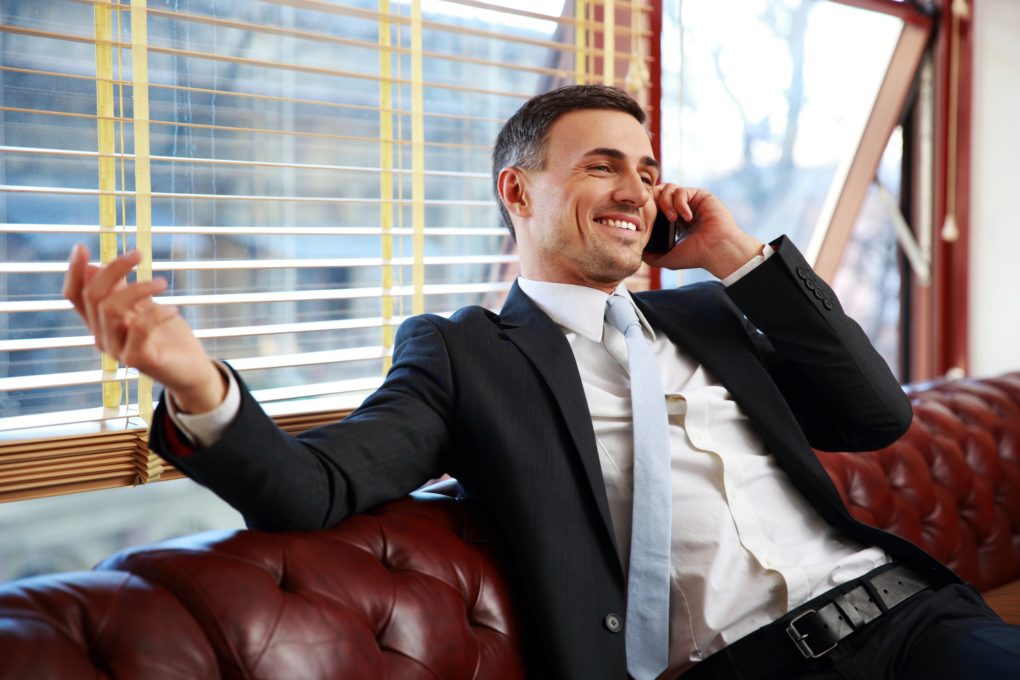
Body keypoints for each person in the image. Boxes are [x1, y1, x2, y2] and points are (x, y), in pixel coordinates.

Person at [63, 85, 1019, 679]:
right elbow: (311, 489)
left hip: (914, 613)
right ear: (517, 193)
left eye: (647, 172)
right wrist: (195, 381)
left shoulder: (709, 313)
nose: (637, 191)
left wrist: (736, 258)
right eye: (602, 166)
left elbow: (876, 414)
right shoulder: (463, 353)